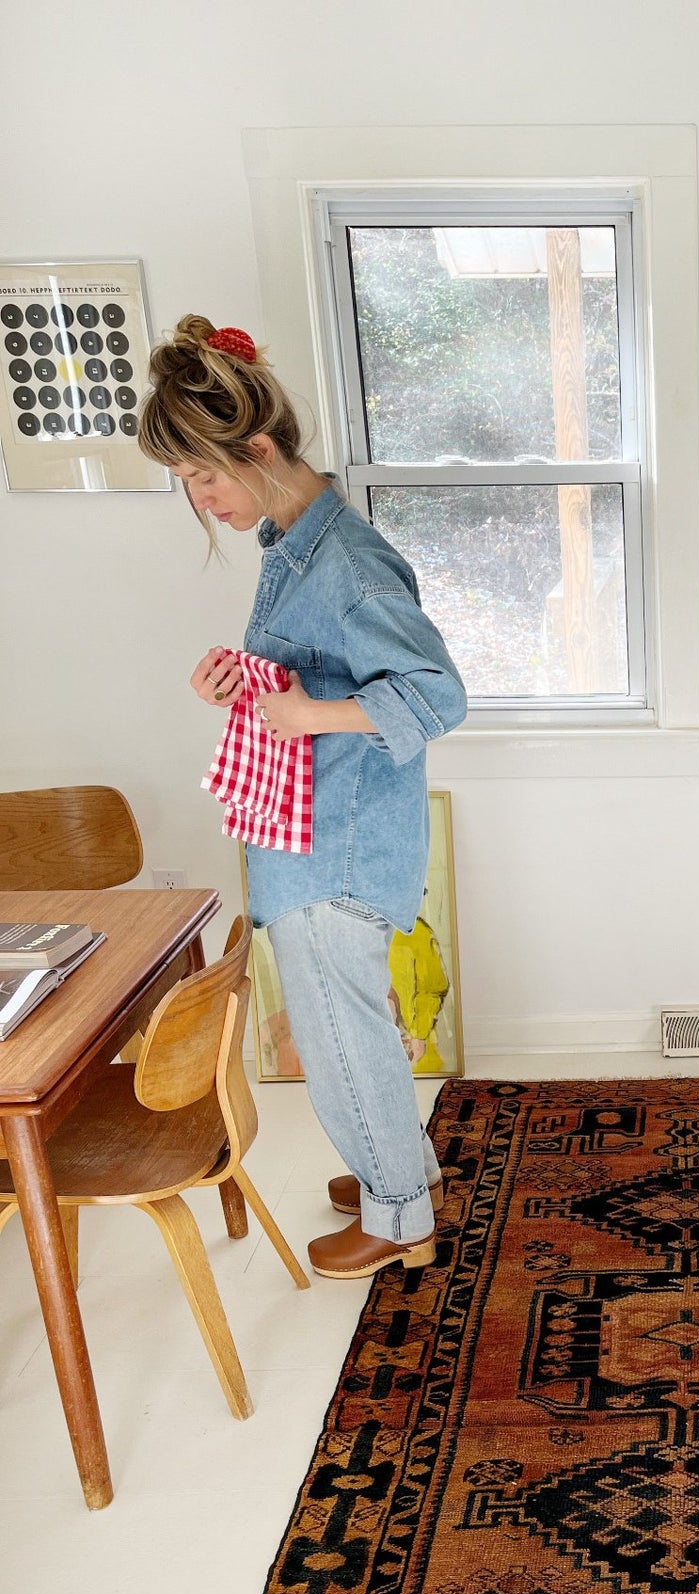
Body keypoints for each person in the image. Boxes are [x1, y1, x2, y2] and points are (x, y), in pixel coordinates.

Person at [139, 314, 468, 1281]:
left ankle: (399, 1217)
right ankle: (396, 1169)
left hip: (338, 842)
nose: (201, 500)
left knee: (337, 1030)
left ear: (258, 448)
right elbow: (323, 675)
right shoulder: (296, 542)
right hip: (315, 827)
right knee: (343, 1023)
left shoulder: (342, 566)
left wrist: (312, 717)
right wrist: (250, 687)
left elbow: (435, 695)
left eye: (205, 477)